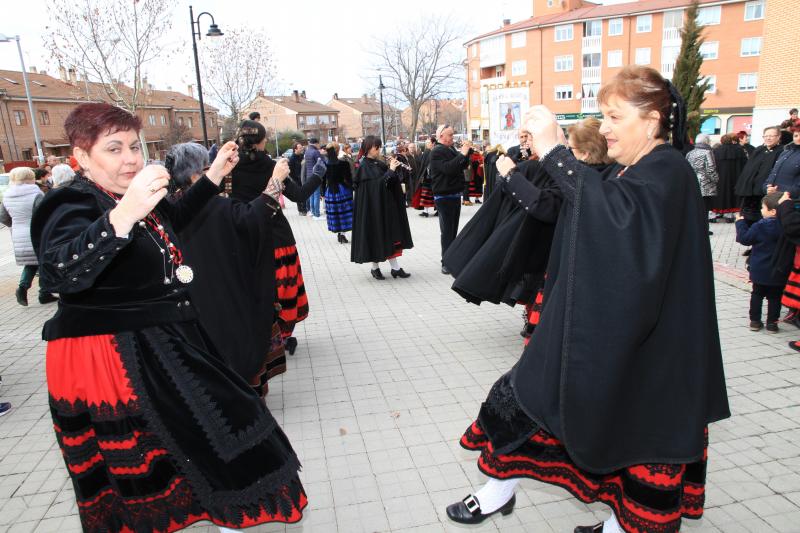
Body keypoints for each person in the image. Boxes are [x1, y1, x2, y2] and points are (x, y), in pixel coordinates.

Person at [445, 66, 729, 533]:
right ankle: (499, 492)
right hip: (623, 336)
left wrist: (557, 150)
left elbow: (615, 221)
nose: (606, 128)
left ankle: (617, 526)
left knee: (636, 439)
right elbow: (586, 208)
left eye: (615, 117)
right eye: (604, 116)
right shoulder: (636, 166)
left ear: (653, 121)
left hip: (652, 350)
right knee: (525, 399)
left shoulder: (669, 170)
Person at [31, 102, 306, 532]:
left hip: (164, 338)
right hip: (114, 357)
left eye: (134, 147)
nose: (130, 158)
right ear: (82, 156)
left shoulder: (126, 195)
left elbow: (174, 217)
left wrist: (213, 175)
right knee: (169, 458)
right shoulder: (68, 202)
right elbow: (58, 273)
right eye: (114, 148)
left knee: (227, 434)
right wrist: (123, 216)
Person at [167, 142, 289, 396]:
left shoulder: (168, 208)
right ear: (193, 176)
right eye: (206, 168)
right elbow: (254, 218)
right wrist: (275, 181)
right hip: (224, 303)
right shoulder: (209, 207)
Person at [230, 120, 326, 356]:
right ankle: (282, 337)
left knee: (255, 290)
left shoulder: (229, 166)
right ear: (262, 141)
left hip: (244, 238)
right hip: (276, 238)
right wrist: (318, 175)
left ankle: (260, 337)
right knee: (282, 291)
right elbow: (299, 195)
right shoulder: (271, 167)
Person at [351, 135, 413, 279]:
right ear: (368, 148)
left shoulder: (377, 163)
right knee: (376, 237)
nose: (378, 150)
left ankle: (395, 268)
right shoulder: (364, 166)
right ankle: (375, 268)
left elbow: (388, 182)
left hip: (384, 208)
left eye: (379, 147)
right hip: (373, 210)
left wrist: (396, 170)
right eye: (376, 147)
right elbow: (376, 187)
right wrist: (390, 171)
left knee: (389, 237)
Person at [1, 167, 58, 306]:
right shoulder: (35, 193)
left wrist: (15, 224)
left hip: (18, 233)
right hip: (37, 232)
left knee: (31, 263)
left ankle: (23, 287)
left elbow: (2, 216)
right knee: (43, 261)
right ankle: (44, 293)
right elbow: (43, 214)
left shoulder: (7, 195)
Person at [735, 191, 786, 333]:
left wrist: (740, 223)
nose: (761, 210)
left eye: (763, 208)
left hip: (759, 268)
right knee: (775, 297)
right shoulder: (786, 226)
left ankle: (755, 321)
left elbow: (744, 238)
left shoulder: (760, 225)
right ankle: (772, 323)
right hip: (779, 269)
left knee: (757, 294)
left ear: (773, 211)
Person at [430, 125, 472, 274]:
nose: (452, 138)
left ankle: (452, 259)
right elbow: (448, 168)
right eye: (450, 135)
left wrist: (467, 153)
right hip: (444, 195)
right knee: (447, 231)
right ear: (441, 136)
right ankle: (445, 262)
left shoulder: (451, 149)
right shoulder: (437, 151)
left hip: (454, 194)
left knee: (453, 230)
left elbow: (462, 166)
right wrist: (462, 155)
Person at [736, 126, 782, 224]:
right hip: (750, 193)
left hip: (766, 193)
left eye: (771, 136)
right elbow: (748, 170)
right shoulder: (759, 150)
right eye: (766, 136)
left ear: (778, 137)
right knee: (747, 221)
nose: (768, 138)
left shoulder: (781, 151)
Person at [686, 133, 719, 234]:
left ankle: (695, 228)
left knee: (695, 208)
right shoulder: (707, 152)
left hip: (693, 183)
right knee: (705, 208)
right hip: (705, 184)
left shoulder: (690, 153)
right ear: (706, 141)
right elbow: (711, 169)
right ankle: (704, 229)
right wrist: (716, 179)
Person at [710, 133, 747, 222]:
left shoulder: (716, 150)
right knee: (731, 194)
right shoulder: (739, 150)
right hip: (735, 177)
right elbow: (745, 164)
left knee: (720, 195)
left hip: (720, 178)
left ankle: (716, 214)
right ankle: (729, 215)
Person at [322, 142, 354, 243]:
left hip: (330, 192)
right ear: (337, 150)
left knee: (335, 213)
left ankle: (340, 234)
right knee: (343, 213)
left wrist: (322, 193)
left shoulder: (324, 164)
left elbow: (322, 181)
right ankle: (342, 234)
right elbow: (348, 178)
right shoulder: (344, 163)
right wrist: (351, 187)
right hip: (342, 191)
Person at [764, 122, 800, 196]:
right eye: (796, 136)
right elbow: (773, 173)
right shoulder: (785, 152)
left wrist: (782, 191)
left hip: (791, 200)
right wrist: (766, 188)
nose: (798, 138)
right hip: (774, 198)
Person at [412, 137, 437, 217]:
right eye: (426, 143)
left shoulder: (436, 151)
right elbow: (422, 163)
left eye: (428, 142)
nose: (427, 144)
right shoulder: (426, 152)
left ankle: (438, 210)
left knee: (436, 195)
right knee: (425, 194)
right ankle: (426, 211)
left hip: (435, 177)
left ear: (433, 143)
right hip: (426, 177)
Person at [304, 138, 323, 219]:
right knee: (316, 195)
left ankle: (312, 211)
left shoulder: (307, 151)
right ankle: (317, 214)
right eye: (318, 144)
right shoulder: (315, 152)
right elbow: (320, 163)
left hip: (308, 175)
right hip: (315, 175)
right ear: (316, 143)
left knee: (311, 194)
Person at [288, 142, 307, 215]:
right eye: (300, 148)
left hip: (303, 179)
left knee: (305, 194)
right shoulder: (292, 158)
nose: (302, 149)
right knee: (299, 195)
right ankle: (301, 210)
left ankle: (305, 209)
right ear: (295, 149)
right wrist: (295, 179)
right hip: (296, 180)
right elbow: (290, 171)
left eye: (302, 147)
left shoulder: (302, 156)